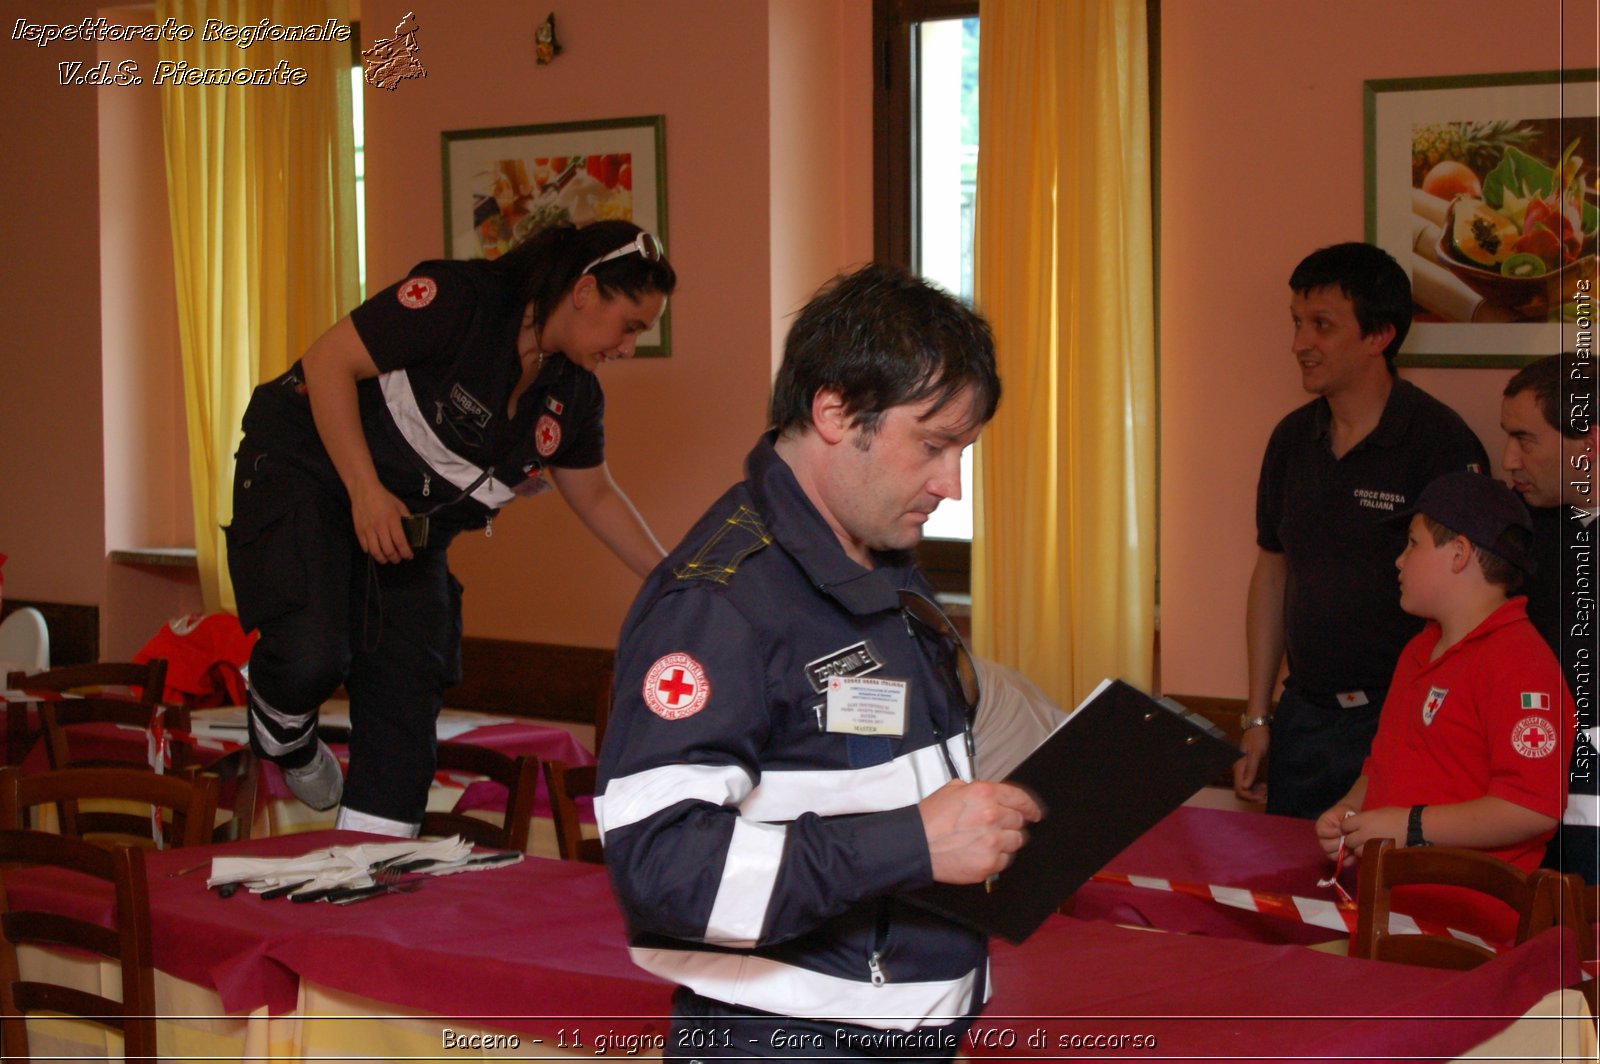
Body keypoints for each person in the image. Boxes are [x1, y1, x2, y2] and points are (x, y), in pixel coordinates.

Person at [596, 265, 1042, 1058]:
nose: (952, 485)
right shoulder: (717, 604)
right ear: (835, 411)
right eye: (935, 446)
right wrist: (912, 842)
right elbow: (662, 868)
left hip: (903, 1022)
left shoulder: (877, 554)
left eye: (962, 450)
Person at [226, 220, 675, 837]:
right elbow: (328, 361)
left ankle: (370, 868)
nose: (628, 347)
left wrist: (673, 577)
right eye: (631, 326)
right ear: (585, 290)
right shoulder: (459, 301)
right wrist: (363, 489)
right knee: (311, 652)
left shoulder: (573, 393)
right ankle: (286, 735)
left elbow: (595, 494)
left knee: (407, 695)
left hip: (406, 525)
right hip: (312, 470)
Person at [1234, 243, 1489, 818]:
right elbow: (1272, 574)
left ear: (1379, 336)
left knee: (1385, 901)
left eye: (1322, 325)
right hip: (1303, 716)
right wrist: (1257, 716)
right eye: (1297, 323)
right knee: (1292, 897)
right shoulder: (1290, 441)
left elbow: (1473, 607)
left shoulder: (1440, 444)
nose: (1300, 343)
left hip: (1402, 720)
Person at [1315, 470, 1568, 942]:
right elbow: (1381, 765)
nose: (1398, 560)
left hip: (1468, 929)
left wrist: (1409, 825)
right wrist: (1351, 810)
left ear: (1459, 554)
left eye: (1412, 544)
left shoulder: (1521, 665)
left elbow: (1531, 809)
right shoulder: (1417, 651)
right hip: (1388, 904)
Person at [1501, 353, 1598, 884]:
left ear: (1590, 443)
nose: (1509, 459)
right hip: (1526, 810)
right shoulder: (1520, 537)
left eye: (1526, 439)